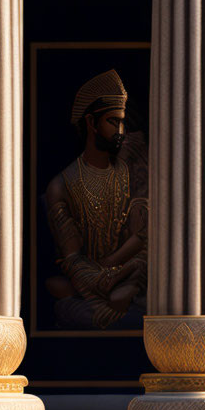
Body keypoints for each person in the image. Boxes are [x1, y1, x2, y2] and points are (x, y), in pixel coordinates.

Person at [44, 69, 148, 329]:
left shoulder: (133, 172)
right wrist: (107, 279)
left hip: (135, 279)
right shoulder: (62, 185)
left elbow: (147, 240)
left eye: (123, 122)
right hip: (93, 283)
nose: (121, 131)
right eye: (114, 122)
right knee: (59, 289)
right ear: (91, 122)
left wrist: (130, 279)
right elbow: (74, 262)